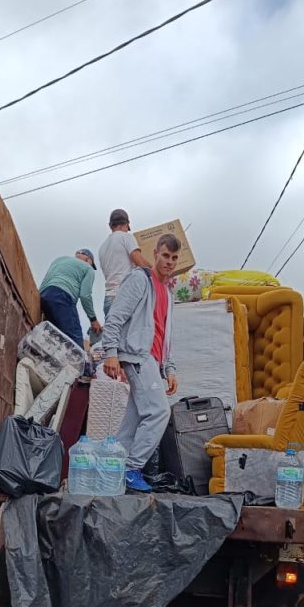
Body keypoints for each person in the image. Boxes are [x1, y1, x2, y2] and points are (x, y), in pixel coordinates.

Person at [101, 233, 180, 492]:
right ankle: (131, 468)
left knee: (133, 420)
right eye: (165, 255)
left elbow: (164, 335)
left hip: (152, 361)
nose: (169, 261)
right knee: (159, 412)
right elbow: (115, 316)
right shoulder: (140, 279)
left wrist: (168, 369)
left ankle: (110, 472)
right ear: (155, 253)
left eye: (174, 258)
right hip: (137, 356)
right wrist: (110, 352)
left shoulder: (167, 292)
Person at [38, 250, 101, 348]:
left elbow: (46, 280)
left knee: (50, 338)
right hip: (63, 297)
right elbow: (85, 295)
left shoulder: (59, 260)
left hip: (44, 295)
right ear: (88, 259)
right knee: (76, 344)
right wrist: (93, 320)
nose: (91, 266)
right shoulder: (88, 268)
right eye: (91, 264)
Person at [98, 209, 152, 317]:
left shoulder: (102, 247)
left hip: (109, 299)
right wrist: (156, 271)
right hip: (124, 297)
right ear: (127, 224)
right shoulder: (126, 237)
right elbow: (139, 261)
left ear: (110, 226)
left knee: (114, 333)